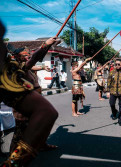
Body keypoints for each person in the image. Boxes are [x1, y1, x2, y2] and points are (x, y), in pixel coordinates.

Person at [0, 24, 59, 167]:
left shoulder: (19, 67)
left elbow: (33, 59)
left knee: (39, 127)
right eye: (24, 55)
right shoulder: (13, 69)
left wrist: (46, 45)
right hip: (23, 109)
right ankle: (12, 159)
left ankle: (34, 148)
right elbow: (34, 59)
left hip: (31, 102)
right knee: (19, 134)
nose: (27, 57)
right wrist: (45, 45)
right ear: (17, 56)